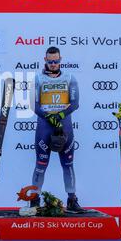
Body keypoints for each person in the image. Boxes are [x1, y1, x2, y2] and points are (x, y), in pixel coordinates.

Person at [30, 46, 85, 213]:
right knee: (40, 164)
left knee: (68, 164)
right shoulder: (38, 78)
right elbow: (33, 105)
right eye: (50, 61)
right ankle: (34, 200)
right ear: (45, 60)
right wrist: (50, 117)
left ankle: (72, 200)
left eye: (56, 61)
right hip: (44, 127)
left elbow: (75, 103)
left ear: (60, 60)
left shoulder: (70, 78)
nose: (53, 64)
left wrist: (59, 115)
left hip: (64, 126)